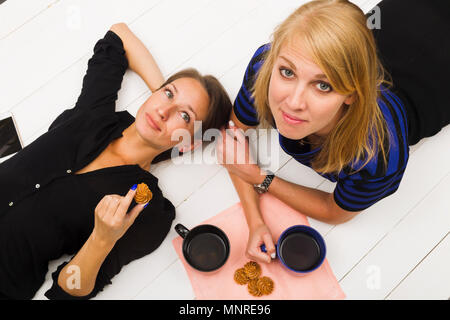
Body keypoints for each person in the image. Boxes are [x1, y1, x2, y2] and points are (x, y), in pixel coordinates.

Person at [0, 23, 232, 300]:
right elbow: (119, 35)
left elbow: (67, 291)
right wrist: (162, 90)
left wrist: (102, 239)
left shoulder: (147, 211)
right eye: (168, 93)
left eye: (184, 116)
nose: (163, 111)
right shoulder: (94, 113)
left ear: (189, 142)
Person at [217, 0, 450, 264]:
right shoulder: (265, 68)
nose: (293, 102)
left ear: (352, 93)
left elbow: (335, 211)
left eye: (323, 86)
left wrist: (260, 177)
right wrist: (255, 221)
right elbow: (233, 137)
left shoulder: (379, 156)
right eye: (287, 72)